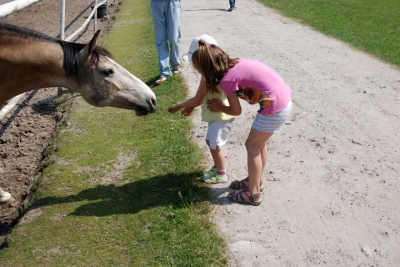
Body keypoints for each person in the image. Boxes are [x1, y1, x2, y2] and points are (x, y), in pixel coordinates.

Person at [191, 40, 292, 206]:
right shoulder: (236, 64)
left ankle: (253, 194)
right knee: (258, 144)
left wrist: (220, 107)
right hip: (282, 100)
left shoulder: (227, 80)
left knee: (252, 146)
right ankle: (255, 180)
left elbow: (236, 111)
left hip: (274, 106)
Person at [168, 35, 235, 184]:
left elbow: (198, 98)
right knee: (210, 141)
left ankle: (221, 173)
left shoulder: (207, 77)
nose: (195, 67)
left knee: (215, 145)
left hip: (220, 117)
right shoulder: (216, 73)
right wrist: (191, 105)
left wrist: (180, 105)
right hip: (217, 116)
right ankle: (217, 167)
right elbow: (200, 99)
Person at [151, 0, 182, 85]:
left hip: (172, 2)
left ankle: (175, 65)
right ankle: (165, 72)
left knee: (174, 38)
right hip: (156, 3)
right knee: (161, 39)